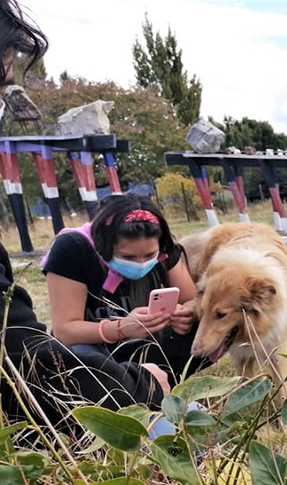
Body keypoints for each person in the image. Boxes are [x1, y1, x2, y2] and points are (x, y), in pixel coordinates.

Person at [0, 0, 168, 436]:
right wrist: (134, 380)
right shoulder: (72, 252)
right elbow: (31, 353)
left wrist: (180, 314)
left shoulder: (169, 251)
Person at [43, 194, 210, 386]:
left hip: (148, 343)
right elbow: (65, 330)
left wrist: (185, 314)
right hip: (94, 348)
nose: (140, 263)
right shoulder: (73, 248)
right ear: (104, 244)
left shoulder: (165, 247)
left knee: (208, 329)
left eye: (150, 255)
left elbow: (191, 299)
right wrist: (121, 329)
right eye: (127, 257)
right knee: (82, 356)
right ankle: (123, 391)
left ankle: (159, 386)